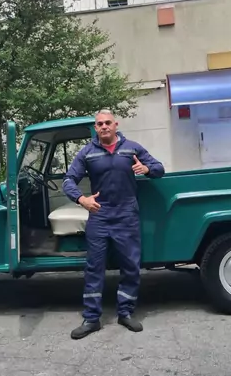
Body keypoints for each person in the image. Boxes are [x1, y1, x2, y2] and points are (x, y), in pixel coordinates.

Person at [62, 109, 165, 340]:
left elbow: (160, 169)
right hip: (99, 215)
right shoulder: (87, 153)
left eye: (108, 122)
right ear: (95, 128)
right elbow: (68, 180)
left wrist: (147, 169)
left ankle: (125, 313)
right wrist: (82, 199)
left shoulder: (132, 149)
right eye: (100, 124)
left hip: (126, 216)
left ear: (116, 125)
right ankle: (91, 318)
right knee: (94, 268)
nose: (104, 126)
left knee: (130, 265)